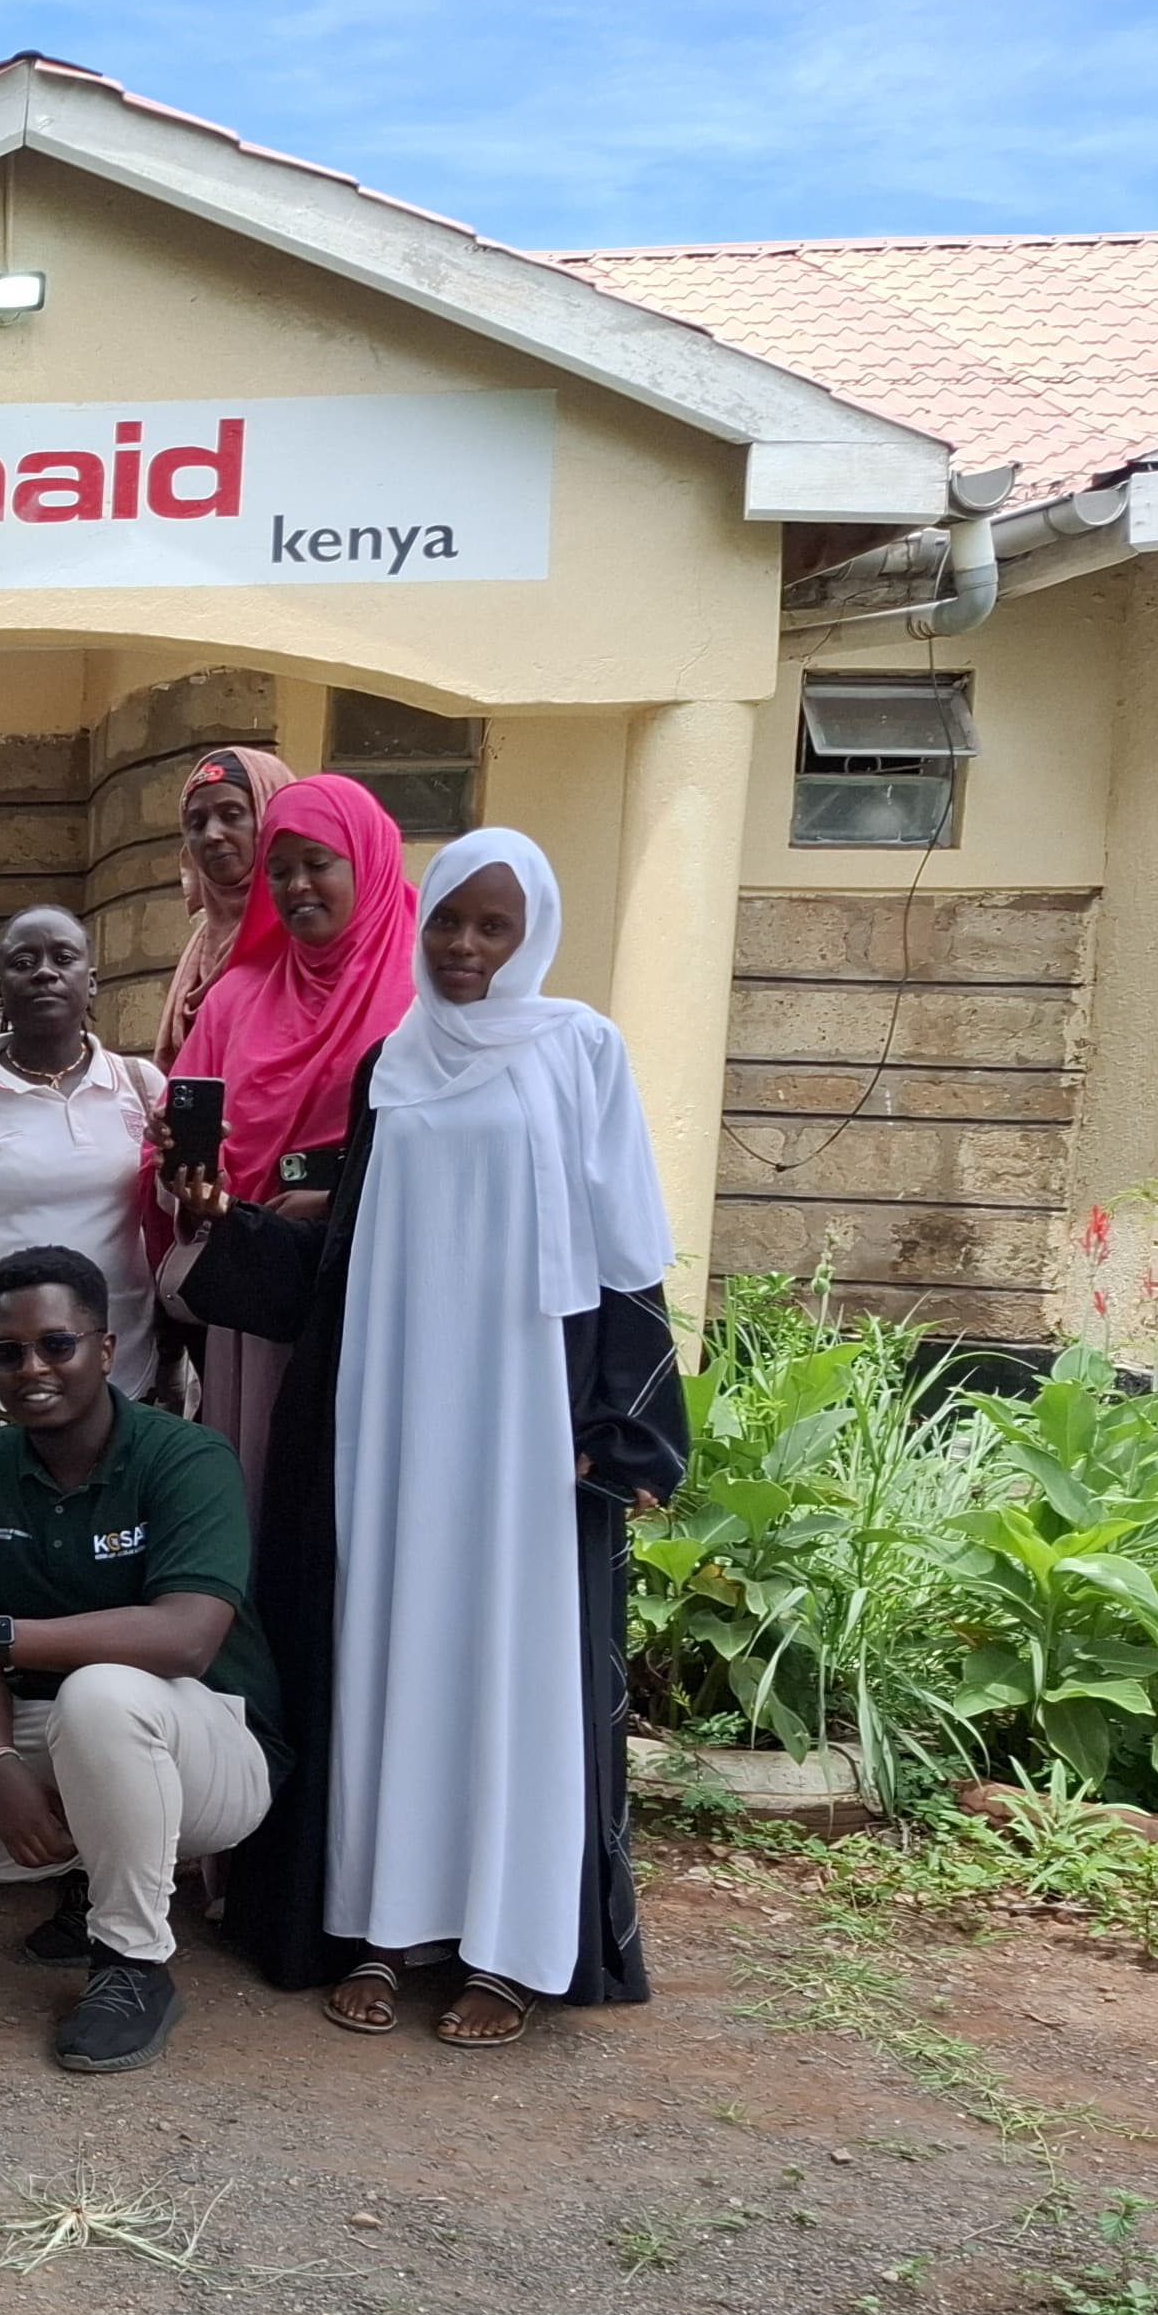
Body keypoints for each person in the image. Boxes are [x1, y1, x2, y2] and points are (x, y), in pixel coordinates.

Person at [172, 829, 687, 2045]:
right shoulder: (392, 1062)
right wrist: (226, 1223)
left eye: (492, 927)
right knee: (390, 1659)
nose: (463, 948)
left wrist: (618, 1424)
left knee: (508, 1669)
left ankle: (507, 1948)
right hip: (396, 1418)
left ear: (532, 937)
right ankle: (386, 1925)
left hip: (519, 1426)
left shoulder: (581, 1052)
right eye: (451, 920)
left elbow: (627, 1253)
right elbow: (350, 1252)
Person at [0, 1247, 285, 2076]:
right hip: (51, 1732)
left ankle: (132, 1964)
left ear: (104, 1349)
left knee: (101, 1696)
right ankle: (102, 1866)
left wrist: (2, 1638)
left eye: (57, 1345)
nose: (32, 1368)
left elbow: (186, 1638)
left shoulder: (184, 1457)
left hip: (204, 1739)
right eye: (7, 1351)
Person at [160, 773, 423, 1502]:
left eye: (318, 864)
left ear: (364, 861)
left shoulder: (429, 988)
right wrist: (182, 1166)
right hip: (265, 1297)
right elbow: (178, 1155)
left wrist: (337, 1199)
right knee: (273, 1487)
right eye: (279, 871)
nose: (297, 886)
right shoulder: (236, 997)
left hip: (388, 1284)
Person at [0, 904, 168, 1397]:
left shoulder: (142, 1089)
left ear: (92, 982)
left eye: (63, 958)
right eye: (23, 963)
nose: (44, 972)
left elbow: (172, 1224)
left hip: (123, 1372)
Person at [151, 744, 297, 1057]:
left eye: (232, 815)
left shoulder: (305, 938)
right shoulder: (200, 951)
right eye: (196, 823)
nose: (212, 835)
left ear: (270, 818)